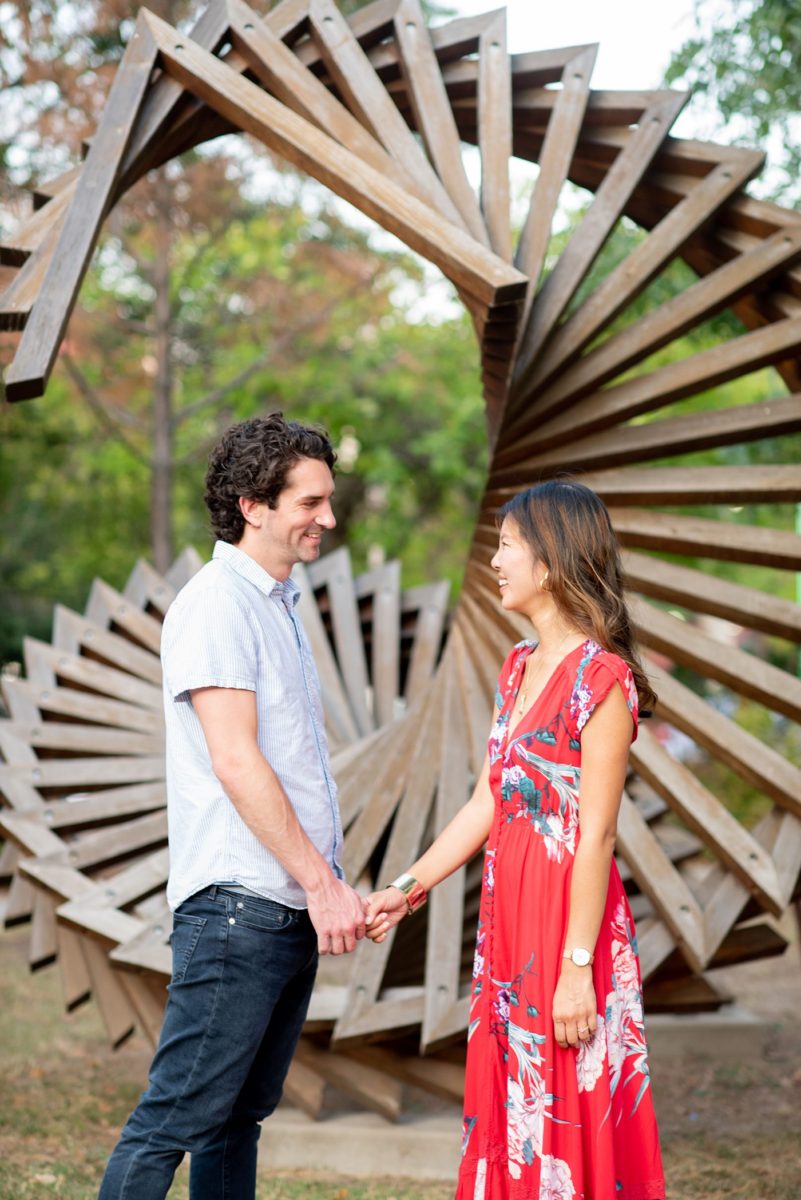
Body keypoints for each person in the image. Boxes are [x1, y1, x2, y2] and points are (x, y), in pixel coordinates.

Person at [367, 480, 665, 1200]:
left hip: (570, 929)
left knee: (566, 1103)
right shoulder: (517, 666)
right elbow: (486, 802)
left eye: (506, 545)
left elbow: (594, 836)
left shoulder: (603, 679)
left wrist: (574, 969)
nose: (494, 560)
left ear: (553, 558)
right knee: (515, 1101)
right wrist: (405, 890)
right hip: (508, 928)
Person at [99, 414, 368, 1200]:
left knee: (233, 1121)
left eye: (327, 499)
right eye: (309, 502)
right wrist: (322, 885)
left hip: (280, 909)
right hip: (239, 910)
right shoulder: (218, 603)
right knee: (173, 1120)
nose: (325, 516)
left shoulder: (279, 601)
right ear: (253, 505)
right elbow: (237, 759)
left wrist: (320, 889)